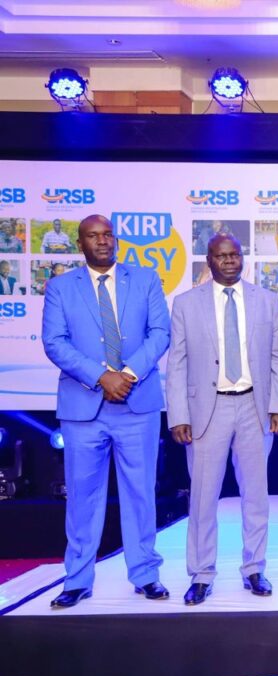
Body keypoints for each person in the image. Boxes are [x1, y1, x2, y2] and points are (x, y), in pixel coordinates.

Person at [41, 214, 170, 608]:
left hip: (137, 403)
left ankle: (145, 574)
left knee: (140, 494)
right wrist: (101, 377)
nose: (102, 241)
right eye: (93, 236)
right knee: (82, 498)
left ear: (116, 240)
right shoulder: (61, 287)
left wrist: (126, 375)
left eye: (108, 235)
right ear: (80, 243)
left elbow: (160, 333)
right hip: (83, 409)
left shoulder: (145, 279)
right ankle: (78, 580)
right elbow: (54, 342)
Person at [165, 234, 278, 606]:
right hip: (208, 409)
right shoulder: (186, 304)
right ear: (209, 260)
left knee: (256, 496)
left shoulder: (266, 300)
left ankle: (254, 569)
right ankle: (201, 574)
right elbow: (177, 363)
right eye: (222, 256)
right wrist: (178, 415)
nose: (230, 261)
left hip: (254, 406)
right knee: (203, 498)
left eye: (235, 254)